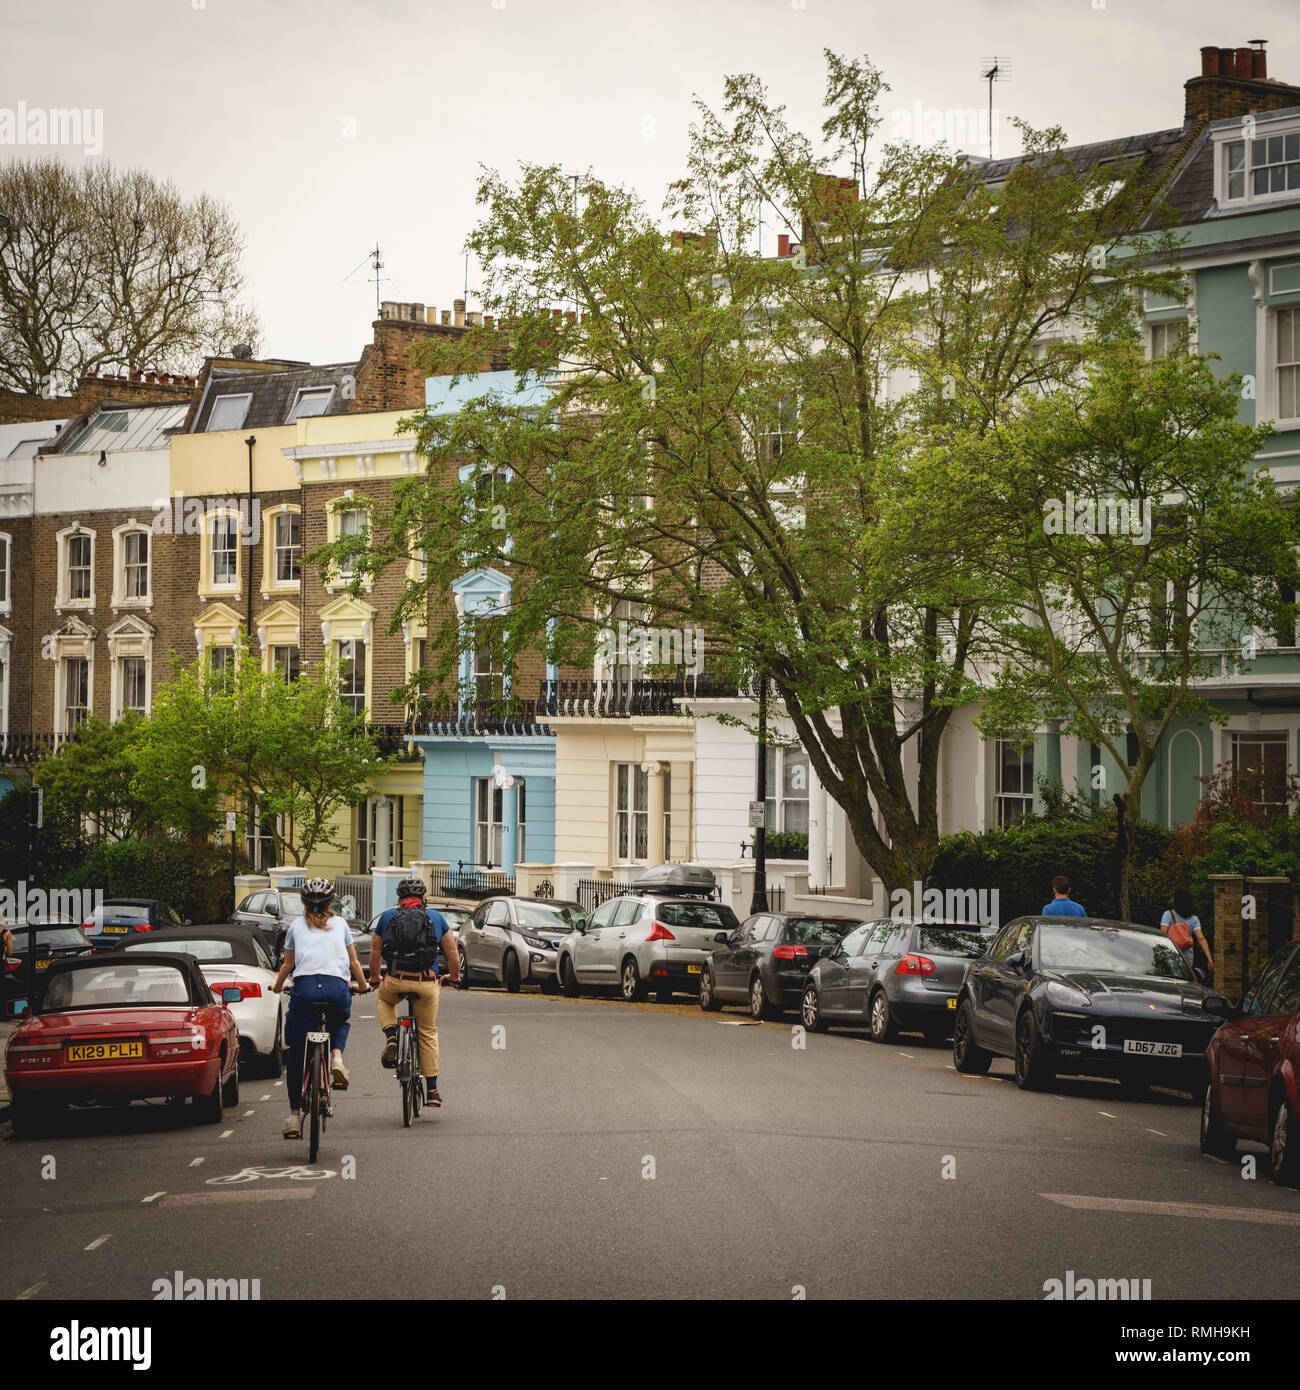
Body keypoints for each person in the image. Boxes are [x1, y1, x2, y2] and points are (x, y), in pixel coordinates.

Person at [271, 877, 369, 1140]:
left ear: (304, 903)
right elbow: (353, 963)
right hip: (337, 988)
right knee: (339, 1023)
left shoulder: (295, 926)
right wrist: (363, 985)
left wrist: (277, 987)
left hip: (304, 991)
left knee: (294, 1054)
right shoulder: (341, 924)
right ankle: (336, 1058)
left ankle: (293, 1117)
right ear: (330, 903)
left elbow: (288, 965)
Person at [370, 876, 461, 1108]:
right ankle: (432, 1090)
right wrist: (454, 976)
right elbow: (452, 952)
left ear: (399, 899)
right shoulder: (436, 917)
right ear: (423, 898)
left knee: (384, 1000)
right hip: (426, 982)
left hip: (396, 980)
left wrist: (374, 978)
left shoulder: (388, 917)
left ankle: (392, 1036)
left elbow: (375, 950)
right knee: (428, 1032)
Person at [1160, 888, 1214, 975]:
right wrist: (1209, 958)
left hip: (1170, 954)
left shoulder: (1168, 914)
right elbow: (1201, 938)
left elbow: (1162, 934)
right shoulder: (1194, 919)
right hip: (1188, 957)